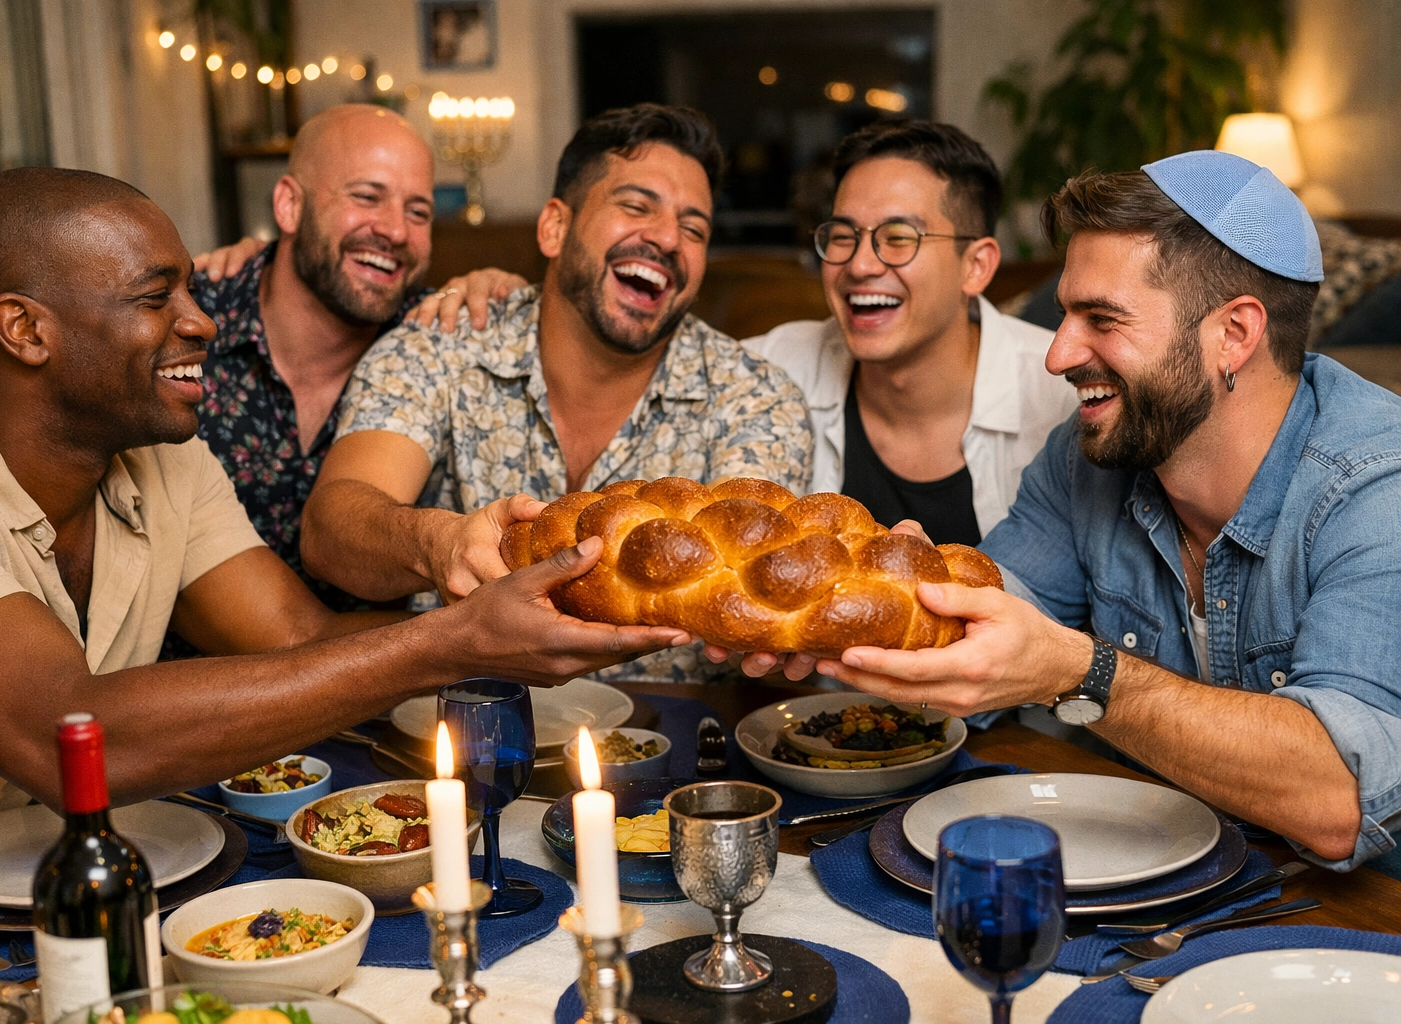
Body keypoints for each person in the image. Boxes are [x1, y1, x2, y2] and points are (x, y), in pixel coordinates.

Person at [0, 167, 689, 879]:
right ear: (25, 330)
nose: (203, 322)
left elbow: (296, 637)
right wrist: (453, 642)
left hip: (111, 886)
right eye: (157, 298)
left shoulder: (162, 457)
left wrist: (542, 612)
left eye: (191, 288)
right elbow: (70, 737)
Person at [795, 152, 1401, 871]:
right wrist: (876, 605)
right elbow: (987, 631)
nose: (1057, 354)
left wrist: (1079, 672)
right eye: (1063, 316)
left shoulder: (1376, 485)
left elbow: (1340, 799)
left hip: (1355, 931)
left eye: (1101, 319)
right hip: (1139, 884)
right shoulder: (1083, 457)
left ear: (1234, 335)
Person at [298, 104, 814, 682]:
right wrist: (438, 543)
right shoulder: (439, 347)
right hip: (459, 734)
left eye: (694, 228)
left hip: (678, 748)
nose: (668, 238)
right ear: (554, 227)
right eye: (636, 206)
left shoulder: (757, 399)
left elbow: (761, 594)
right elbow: (332, 527)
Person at [183, 105, 524, 615]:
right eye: (367, 197)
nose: (395, 231)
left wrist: (507, 292)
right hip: (186, 683)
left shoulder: (436, 336)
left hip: (380, 683)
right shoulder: (188, 323)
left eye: (418, 212)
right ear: (289, 206)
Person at [745, 121, 1075, 545]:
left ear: (975, 266)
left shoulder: (1063, 394)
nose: (860, 266)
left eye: (898, 237)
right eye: (843, 236)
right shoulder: (771, 369)